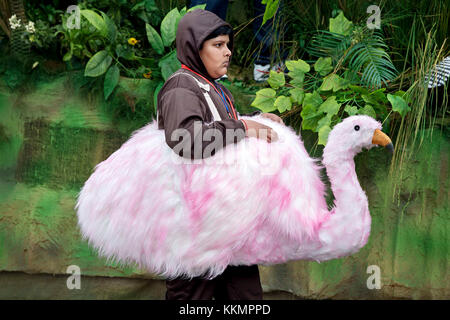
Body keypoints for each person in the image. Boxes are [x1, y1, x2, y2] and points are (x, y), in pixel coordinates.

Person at [157, 9, 282, 299]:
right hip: (195, 229)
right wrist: (242, 126)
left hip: (229, 224)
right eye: (217, 45)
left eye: (227, 45)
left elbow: (221, 132)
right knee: (192, 299)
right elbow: (184, 139)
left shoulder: (214, 89)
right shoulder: (181, 86)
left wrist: (257, 121)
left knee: (246, 298)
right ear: (193, 48)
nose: (227, 52)